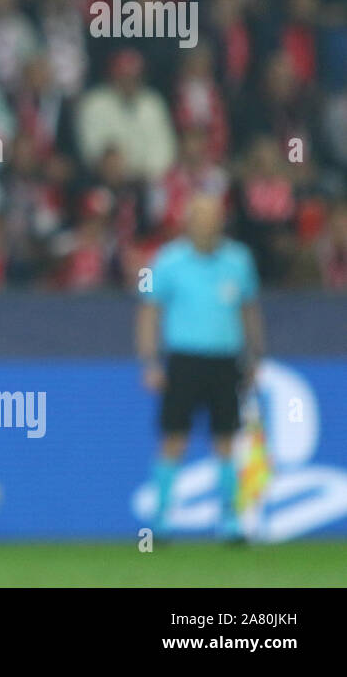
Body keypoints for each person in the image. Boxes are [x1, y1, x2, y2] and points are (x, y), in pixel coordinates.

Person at [136, 193, 265, 541]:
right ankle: (161, 521)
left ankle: (231, 521)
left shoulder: (239, 260)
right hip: (184, 360)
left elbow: (248, 310)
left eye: (212, 217)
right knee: (174, 437)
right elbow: (149, 310)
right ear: (187, 222)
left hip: (226, 360)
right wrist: (150, 361)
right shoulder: (167, 261)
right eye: (199, 217)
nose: (206, 224)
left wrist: (255, 356)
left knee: (226, 439)